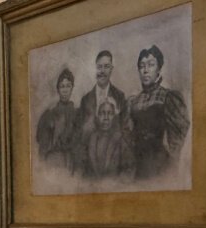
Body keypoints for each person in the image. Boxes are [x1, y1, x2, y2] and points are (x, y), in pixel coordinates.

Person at [126, 45, 190, 180]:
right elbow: (127, 133)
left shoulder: (168, 97)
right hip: (137, 163)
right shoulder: (133, 101)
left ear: (159, 69)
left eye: (150, 65)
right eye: (142, 66)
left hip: (159, 163)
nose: (145, 70)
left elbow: (178, 136)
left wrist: (172, 163)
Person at [73, 50, 128, 168]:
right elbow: (78, 135)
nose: (102, 71)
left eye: (106, 67)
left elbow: (125, 130)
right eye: (99, 67)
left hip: (113, 162)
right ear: (95, 69)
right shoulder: (86, 100)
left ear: (111, 69)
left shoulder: (120, 97)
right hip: (89, 164)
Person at [35, 68, 77, 171]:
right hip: (54, 161)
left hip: (73, 162)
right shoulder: (49, 114)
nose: (65, 90)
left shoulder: (78, 114)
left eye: (68, 86)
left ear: (72, 88)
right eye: (62, 86)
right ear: (58, 89)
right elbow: (42, 144)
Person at [84, 99, 133, 178]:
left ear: (114, 116)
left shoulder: (120, 140)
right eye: (102, 113)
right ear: (97, 116)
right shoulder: (91, 139)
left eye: (109, 113)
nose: (106, 118)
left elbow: (128, 170)